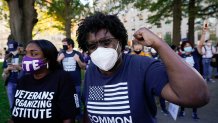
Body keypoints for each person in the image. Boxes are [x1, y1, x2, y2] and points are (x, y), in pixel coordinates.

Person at [76, 12, 209, 123]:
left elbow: (197, 96)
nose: (100, 50)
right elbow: (92, 109)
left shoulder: (143, 66)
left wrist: (159, 44)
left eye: (106, 42)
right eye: (93, 46)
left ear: (120, 42)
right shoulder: (92, 71)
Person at [11, 40, 76, 123]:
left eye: (34, 54)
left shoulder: (62, 79)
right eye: (25, 53)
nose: (27, 58)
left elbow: (68, 118)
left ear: (47, 59)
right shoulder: (23, 80)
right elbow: (14, 116)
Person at [57, 38, 86, 122]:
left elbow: (83, 67)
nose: (63, 46)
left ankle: (79, 116)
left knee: (77, 100)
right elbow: (54, 68)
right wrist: (59, 59)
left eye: (64, 44)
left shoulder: (77, 54)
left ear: (70, 45)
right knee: (65, 100)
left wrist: (78, 60)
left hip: (76, 83)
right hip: (64, 83)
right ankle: (67, 116)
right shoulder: (61, 54)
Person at [178, 41, 200, 119]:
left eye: (189, 45)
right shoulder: (180, 56)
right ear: (183, 47)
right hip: (184, 79)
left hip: (195, 79)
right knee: (183, 96)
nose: (188, 47)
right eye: (186, 46)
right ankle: (182, 110)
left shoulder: (195, 54)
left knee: (195, 96)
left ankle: (194, 112)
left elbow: (200, 45)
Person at [2, 40, 22, 109]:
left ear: (17, 48)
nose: (12, 51)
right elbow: (4, 71)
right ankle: (13, 117)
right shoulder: (8, 57)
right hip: (10, 82)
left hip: (21, 82)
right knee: (12, 103)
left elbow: (28, 71)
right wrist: (7, 69)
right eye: (10, 50)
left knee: (21, 102)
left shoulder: (22, 57)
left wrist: (19, 68)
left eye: (13, 49)